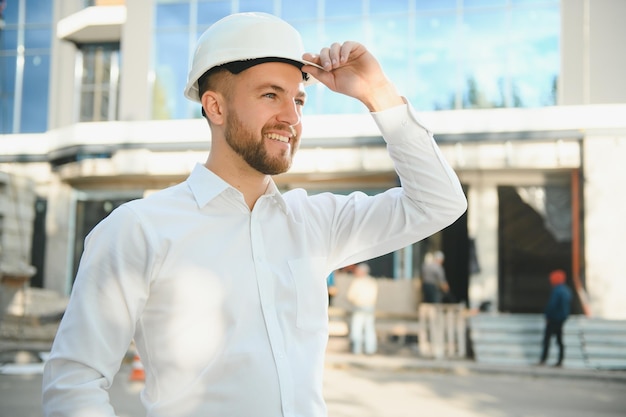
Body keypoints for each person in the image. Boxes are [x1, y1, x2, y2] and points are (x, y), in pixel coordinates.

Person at [42, 12, 467, 417]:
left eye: (298, 99)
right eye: (270, 95)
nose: (292, 117)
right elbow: (75, 380)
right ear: (216, 107)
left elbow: (440, 203)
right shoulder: (137, 229)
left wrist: (379, 94)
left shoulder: (317, 223)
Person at [539, 269, 573, 367]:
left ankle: (543, 360)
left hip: (554, 318)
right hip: (562, 319)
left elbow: (552, 305)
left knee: (547, 339)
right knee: (559, 340)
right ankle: (560, 360)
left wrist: (547, 316)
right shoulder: (567, 290)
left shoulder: (557, 291)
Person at [346, 263, 379, 355]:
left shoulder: (357, 282)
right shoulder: (372, 281)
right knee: (369, 328)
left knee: (357, 328)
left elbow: (350, 296)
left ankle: (357, 350)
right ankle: (370, 349)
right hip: (369, 307)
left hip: (359, 307)